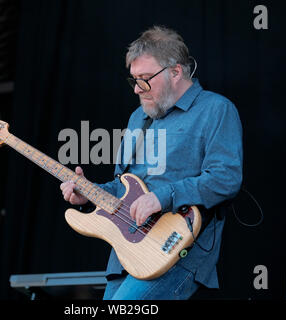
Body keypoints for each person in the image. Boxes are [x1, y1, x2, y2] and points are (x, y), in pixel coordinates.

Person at [60, 25, 243, 300]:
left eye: (145, 78)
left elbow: (225, 178)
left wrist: (163, 197)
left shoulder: (216, 110)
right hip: (124, 258)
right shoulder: (139, 118)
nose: (137, 89)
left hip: (175, 253)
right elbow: (122, 187)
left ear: (176, 72)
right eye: (134, 79)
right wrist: (86, 194)